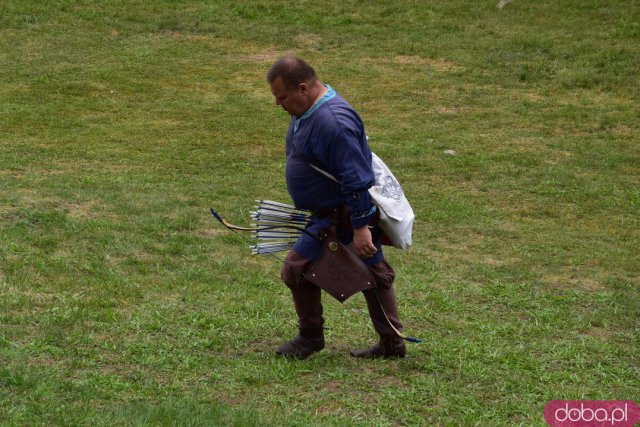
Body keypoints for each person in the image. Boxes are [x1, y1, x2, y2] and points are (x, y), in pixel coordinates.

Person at [267, 56, 406, 359]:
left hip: (340, 216)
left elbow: (355, 178)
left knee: (298, 269)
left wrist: (360, 227)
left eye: (282, 97)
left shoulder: (334, 122)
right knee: (374, 273)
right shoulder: (308, 108)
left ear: (303, 88)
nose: (279, 104)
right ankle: (391, 343)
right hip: (327, 214)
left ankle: (311, 339)